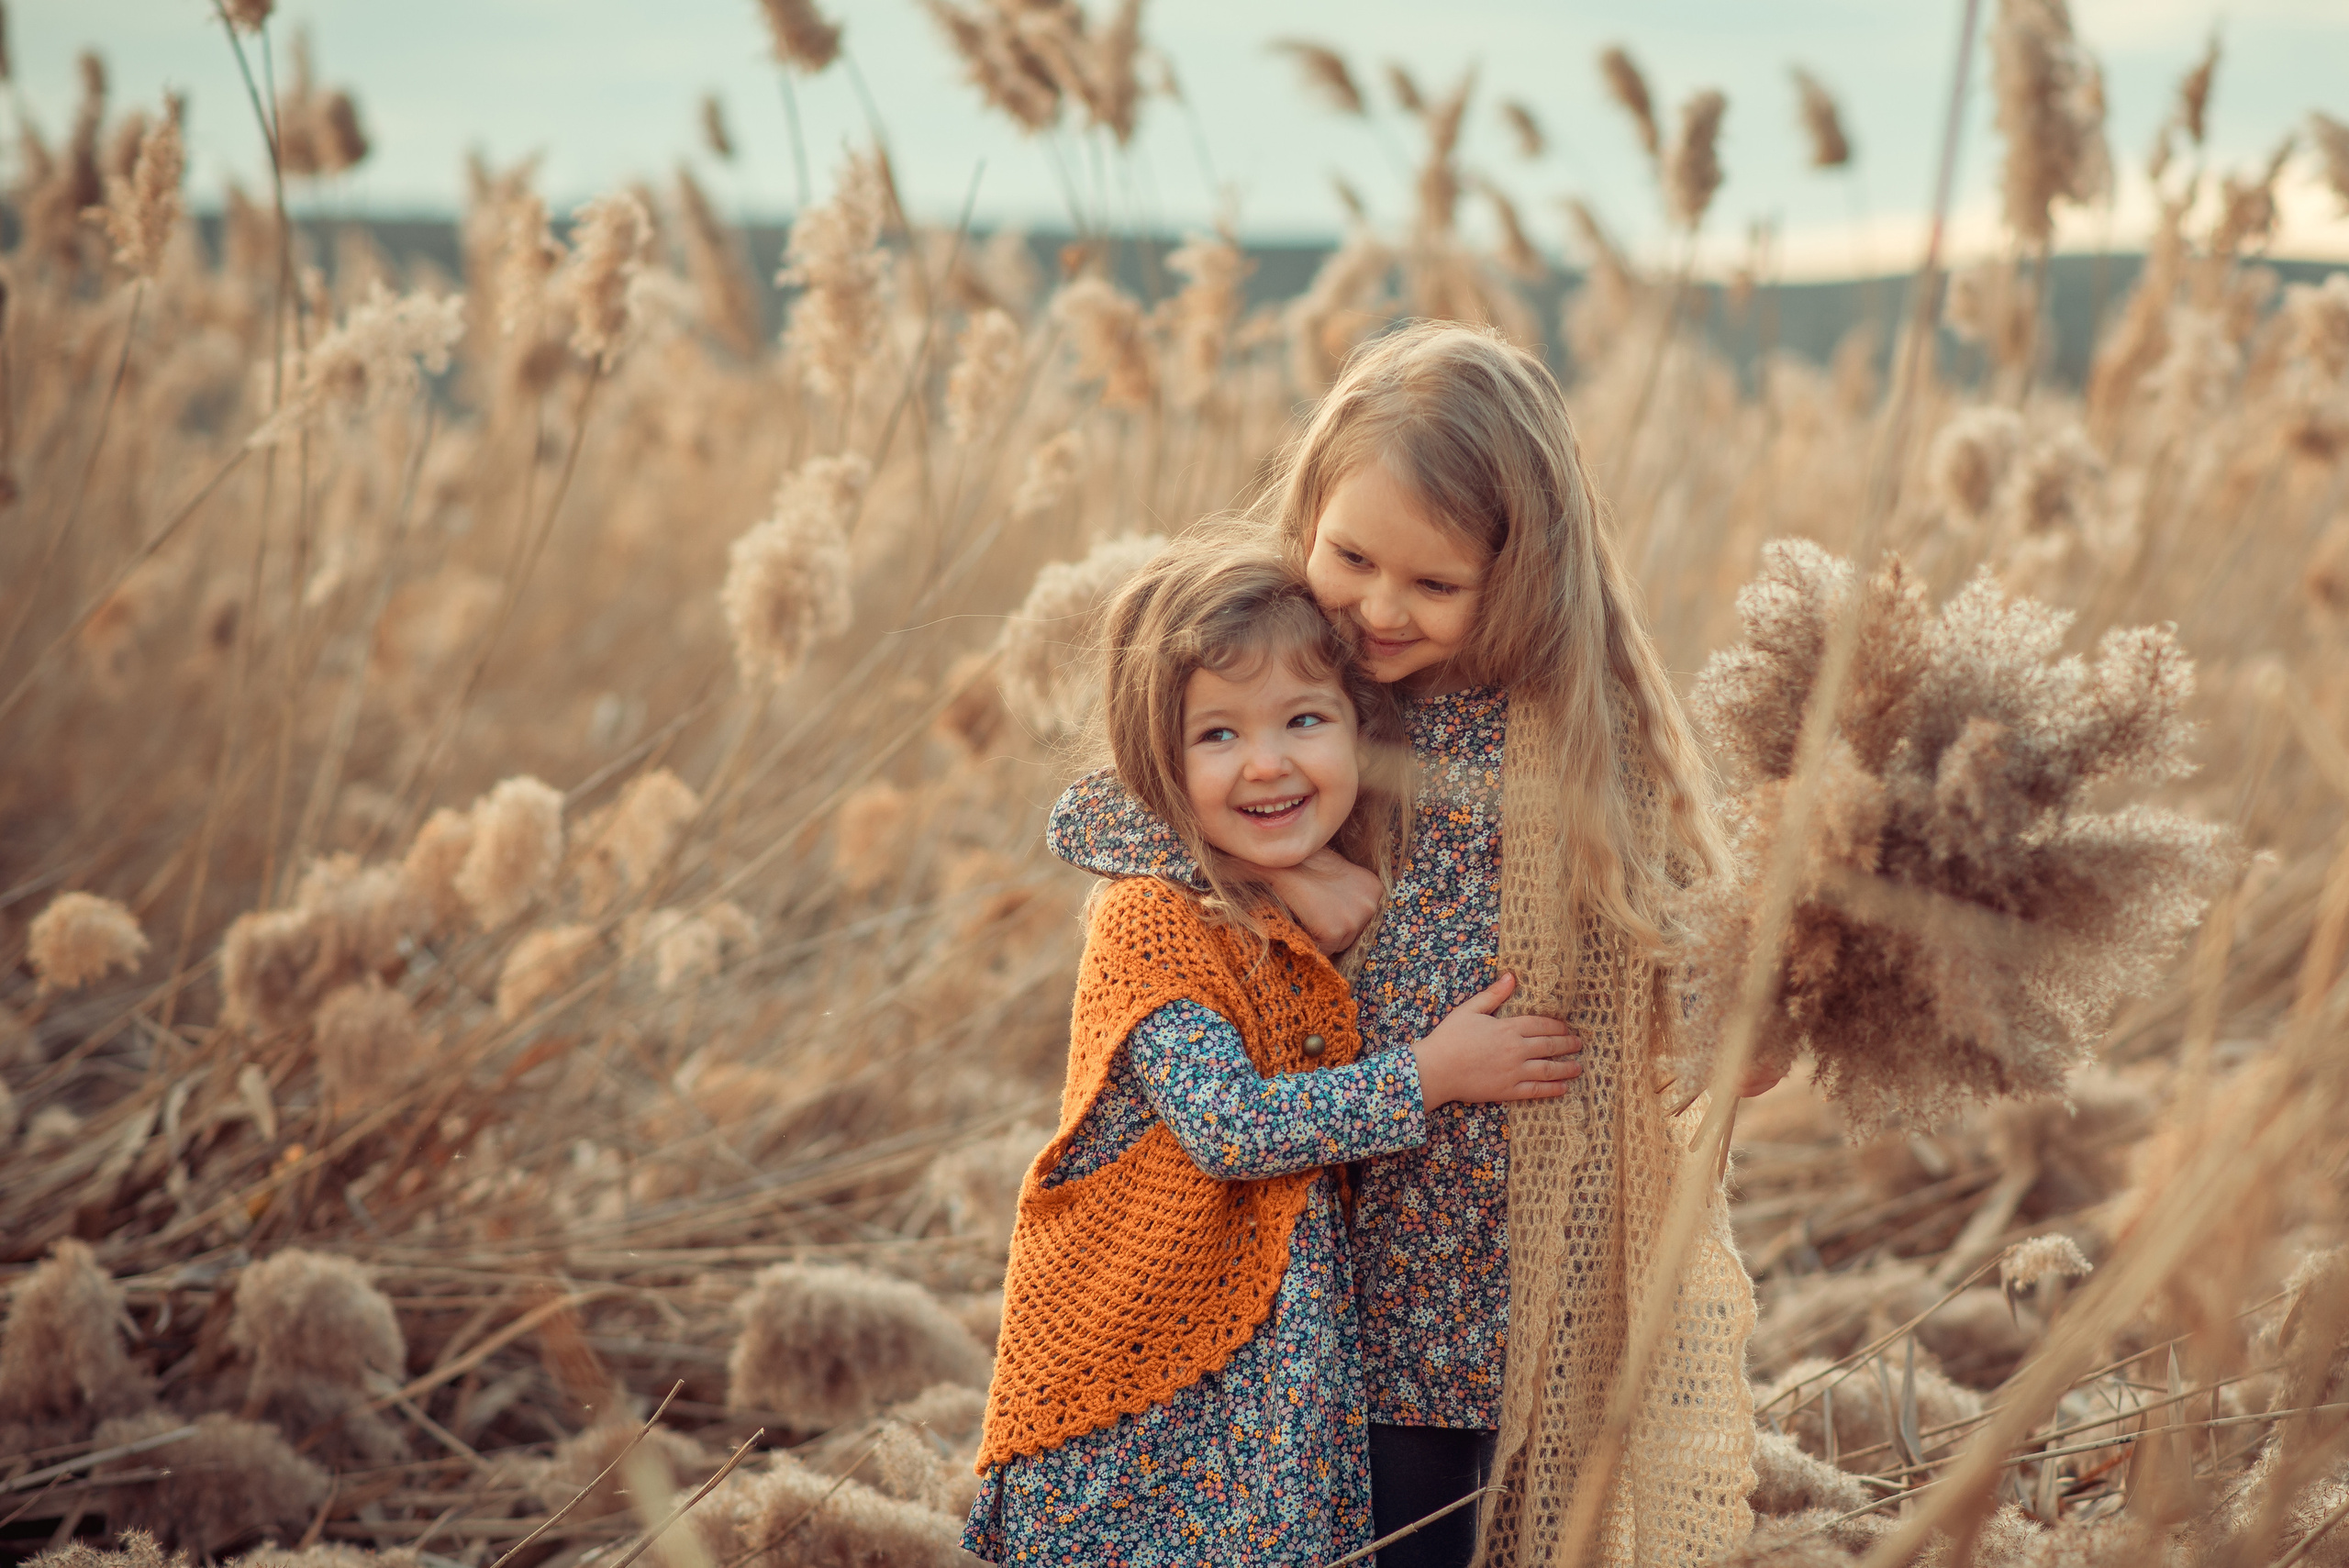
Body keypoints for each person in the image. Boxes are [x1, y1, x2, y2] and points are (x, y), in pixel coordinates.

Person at [1045, 323, 1777, 1568]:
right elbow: (1109, 805)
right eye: (1351, 558)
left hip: (1520, 1237)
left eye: (1435, 586)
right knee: (1384, 1527)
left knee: (1519, 1526)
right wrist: (1288, 861)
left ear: (1525, 571)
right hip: (1346, 1236)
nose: (1380, 607)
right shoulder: (1309, 677)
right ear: (1309, 519)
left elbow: (1665, 924)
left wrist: (1738, 1017)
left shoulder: (1580, 733)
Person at [964, 534, 1586, 1568]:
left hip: (1256, 1386)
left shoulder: (1269, 905)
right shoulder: (1147, 922)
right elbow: (1228, 1125)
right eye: (1216, 734)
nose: (1266, 760)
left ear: (1361, 732)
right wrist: (1430, 1073)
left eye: (1304, 719)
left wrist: (1286, 874)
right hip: (1136, 1377)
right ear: (1160, 765)